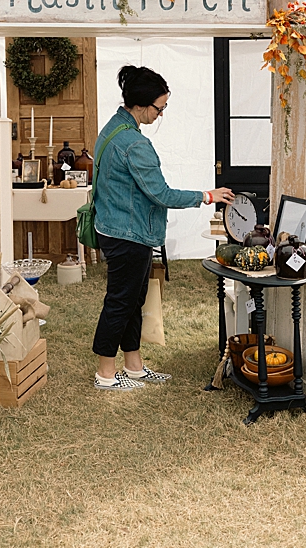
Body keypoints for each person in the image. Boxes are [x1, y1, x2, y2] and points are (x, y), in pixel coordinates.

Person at [88, 65, 234, 389]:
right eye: (160, 107)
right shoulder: (134, 144)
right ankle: (105, 374)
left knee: (133, 300)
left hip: (116, 228)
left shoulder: (112, 129)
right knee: (120, 302)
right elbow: (161, 194)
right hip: (128, 234)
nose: (161, 114)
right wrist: (207, 195)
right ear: (141, 104)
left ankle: (134, 365)